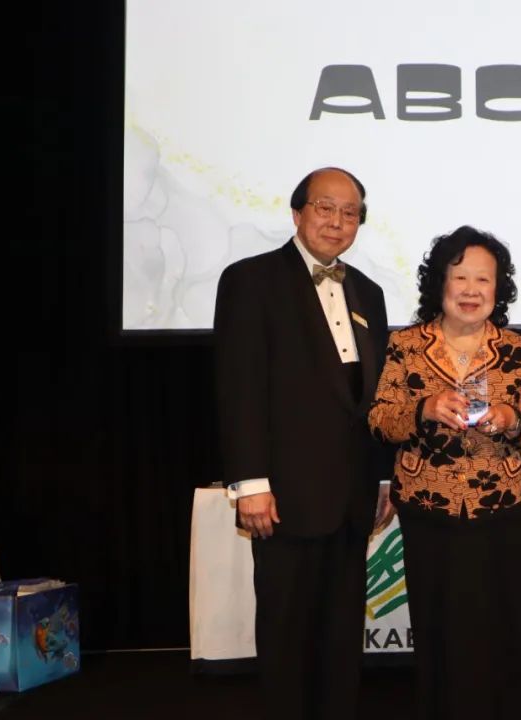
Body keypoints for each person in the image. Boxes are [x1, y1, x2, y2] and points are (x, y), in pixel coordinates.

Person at [214, 167, 394, 720]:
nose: (337, 221)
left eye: (350, 212)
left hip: (352, 499)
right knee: (287, 636)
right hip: (283, 498)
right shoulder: (251, 280)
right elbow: (239, 388)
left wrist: (382, 477)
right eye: (325, 207)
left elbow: (373, 398)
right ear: (297, 213)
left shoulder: (369, 292)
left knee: (341, 640)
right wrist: (249, 483)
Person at [368, 226, 521, 720]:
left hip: (500, 511)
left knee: (500, 630)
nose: (471, 290)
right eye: (460, 277)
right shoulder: (405, 345)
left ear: (498, 288)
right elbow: (379, 420)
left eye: (483, 279)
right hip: (430, 511)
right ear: (439, 283)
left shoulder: (519, 350)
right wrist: (423, 408)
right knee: (437, 629)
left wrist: (512, 419)